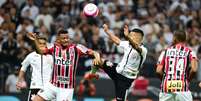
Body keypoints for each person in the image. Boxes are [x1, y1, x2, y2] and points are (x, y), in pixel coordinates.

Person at [27, 29, 100, 101]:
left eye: (67, 38)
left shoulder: (76, 48)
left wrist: (97, 57)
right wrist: (35, 40)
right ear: (58, 39)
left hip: (66, 89)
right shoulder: (54, 47)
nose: (66, 40)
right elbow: (40, 51)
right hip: (52, 85)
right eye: (63, 38)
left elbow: (94, 52)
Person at [96, 24, 147, 101]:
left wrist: (127, 37)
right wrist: (107, 31)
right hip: (116, 69)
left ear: (139, 37)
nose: (130, 36)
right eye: (130, 35)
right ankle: (92, 74)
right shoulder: (128, 44)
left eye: (132, 35)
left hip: (125, 78)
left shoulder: (143, 50)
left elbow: (136, 47)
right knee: (98, 60)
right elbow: (117, 40)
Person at [156, 30, 198, 101]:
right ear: (185, 39)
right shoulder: (190, 52)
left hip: (166, 87)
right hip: (182, 88)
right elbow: (194, 69)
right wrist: (188, 80)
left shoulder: (165, 52)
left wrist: (164, 80)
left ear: (174, 38)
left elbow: (158, 71)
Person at [16, 34, 53, 101]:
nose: (42, 45)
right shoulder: (31, 56)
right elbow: (23, 68)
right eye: (40, 43)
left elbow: (55, 72)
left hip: (48, 88)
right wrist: (19, 81)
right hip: (35, 87)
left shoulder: (51, 57)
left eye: (44, 43)